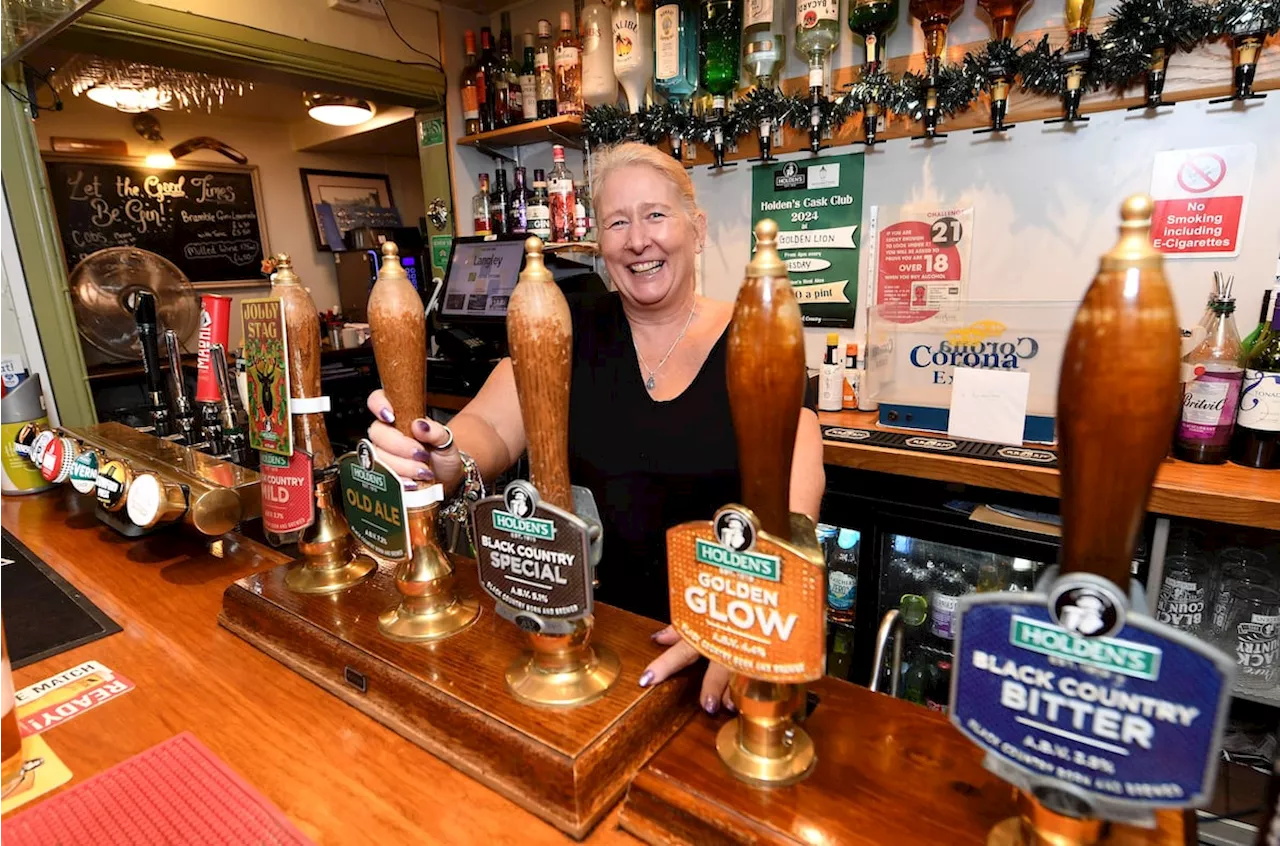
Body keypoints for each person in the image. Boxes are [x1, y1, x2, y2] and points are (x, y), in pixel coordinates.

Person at [365, 142, 824, 715]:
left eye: (656, 215)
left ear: (697, 227)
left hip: (722, 649)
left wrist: (751, 613)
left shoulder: (756, 335)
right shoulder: (562, 330)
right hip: (579, 647)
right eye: (617, 222)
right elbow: (485, 427)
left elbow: (799, 480)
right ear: (599, 244)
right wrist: (433, 454)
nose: (638, 240)